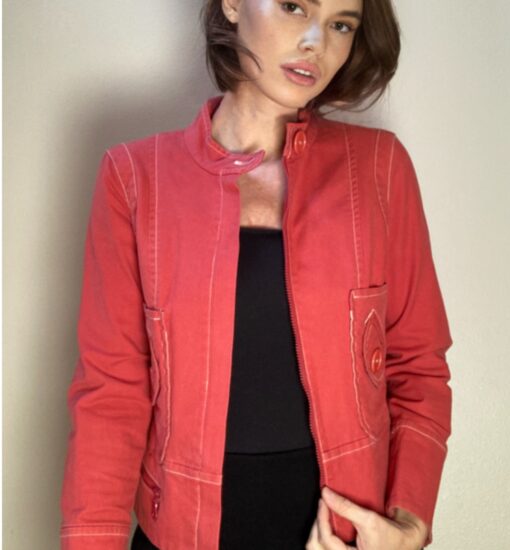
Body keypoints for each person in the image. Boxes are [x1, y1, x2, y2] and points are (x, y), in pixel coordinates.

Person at [59, 1, 453, 549]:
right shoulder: (135, 179)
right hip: (181, 535)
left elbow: (418, 366)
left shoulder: (379, 168)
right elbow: (111, 393)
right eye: (294, 6)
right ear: (233, 4)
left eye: (341, 24)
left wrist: (408, 523)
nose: (316, 41)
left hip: (340, 536)